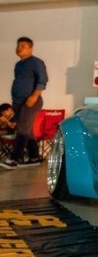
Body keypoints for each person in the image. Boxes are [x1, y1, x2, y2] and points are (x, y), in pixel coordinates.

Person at [0, 37, 48, 170]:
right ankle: (34, 157)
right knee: (27, 130)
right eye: (18, 46)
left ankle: (15, 159)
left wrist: (34, 96)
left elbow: (43, 80)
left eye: (23, 46)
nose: (19, 48)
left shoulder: (36, 62)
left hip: (31, 101)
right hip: (18, 103)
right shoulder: (18, 65)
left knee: (22, 128)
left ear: (30, 48)